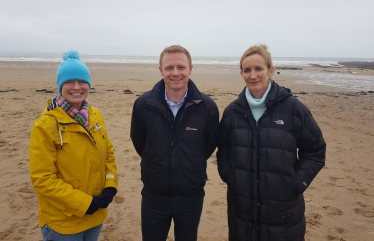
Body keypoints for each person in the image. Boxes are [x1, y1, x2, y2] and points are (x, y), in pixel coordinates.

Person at [217, 44, 326, 241]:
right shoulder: (232, 112)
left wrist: (295, 183)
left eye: (258, 69)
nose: (253, 75)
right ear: (241, 73)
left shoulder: (293, 108)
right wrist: (229, 175)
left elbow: (315, 151)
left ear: (270, 70)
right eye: (247, 70)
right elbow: (223, 149)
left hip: (283, 213)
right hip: (241, 211)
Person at [130, 45, 219, 241]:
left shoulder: (208, 107)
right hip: (154, 195)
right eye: (169, 68)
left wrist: (188, 162)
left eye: (181, 67)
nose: (175, 73)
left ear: (190, 69)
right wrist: (157, 162)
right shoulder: (143, 104)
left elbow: (207, 146)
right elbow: (140, 142)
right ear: (161, 70)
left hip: (191, 195)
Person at [29, 50, 118, 241]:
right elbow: (42, 179)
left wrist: (110, 185)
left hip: (95, 215)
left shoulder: (95, 116)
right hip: (64, 222)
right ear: (60, 85)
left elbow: (108, 154)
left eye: (82, 82)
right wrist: (84, 203)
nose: (76, 87)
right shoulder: (45, 125)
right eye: (69, 82)